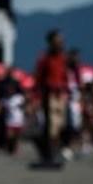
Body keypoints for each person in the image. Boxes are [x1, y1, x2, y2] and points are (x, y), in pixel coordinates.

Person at [33, 29, 67, 165]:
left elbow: (64, 76)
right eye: (58, 41)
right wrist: (36, 97)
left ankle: (52, 152)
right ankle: (50, 154)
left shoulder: (62, 58)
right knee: (51, 126)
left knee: (60, 125)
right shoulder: (45, 58)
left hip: (60, 95)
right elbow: (38, 78)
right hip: (49, 94)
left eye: (61, 41)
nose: (61, 43)